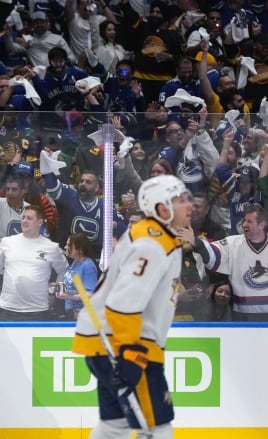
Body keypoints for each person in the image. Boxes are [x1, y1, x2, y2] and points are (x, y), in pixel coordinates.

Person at [72, 174, 192, 439]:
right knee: (157, 426)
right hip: (123, 343)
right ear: (163, 210)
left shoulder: (158, 235)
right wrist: (131, 352)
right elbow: (123, 302)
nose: (189, 205)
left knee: (115, 426)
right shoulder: (152, 243)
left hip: (108, 340)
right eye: (180, 200)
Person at [0, 205, 68, 321]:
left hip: (39, 310)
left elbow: (64, 270)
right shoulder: (7, 242)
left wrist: (55, 293)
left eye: (29, 218)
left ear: (39, 222)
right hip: (8, 309)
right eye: (23, 217)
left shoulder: (51, 247)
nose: (24, 221)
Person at [191, 204, 268, 321]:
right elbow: (212, 256)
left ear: (261, 224)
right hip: (243, 314)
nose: (244, 224)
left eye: (249, 221)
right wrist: (196, 242)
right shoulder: (233, 243)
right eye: (243, 220)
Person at [57, 233, 98, 320]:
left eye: (69, 245)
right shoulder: (75, 263)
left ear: (79, 248)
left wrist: (69, 296)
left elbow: (90, 294)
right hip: (71, 312)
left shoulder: (87, 266)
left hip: (80, 314)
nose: (65, 247)